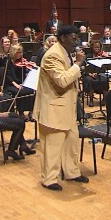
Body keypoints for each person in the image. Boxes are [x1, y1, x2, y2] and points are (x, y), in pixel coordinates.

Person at [34, 25, 89, 190]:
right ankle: (49, 179)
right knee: (52, 146)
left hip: (67, 106)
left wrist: (77, 66)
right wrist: (78, 64)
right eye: (73, 37)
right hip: (53, 108)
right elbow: (62, 80)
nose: (76, 40)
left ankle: (72, 172)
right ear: (63, 37)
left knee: (70, 142)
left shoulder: (64, 52)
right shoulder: (52, 55)